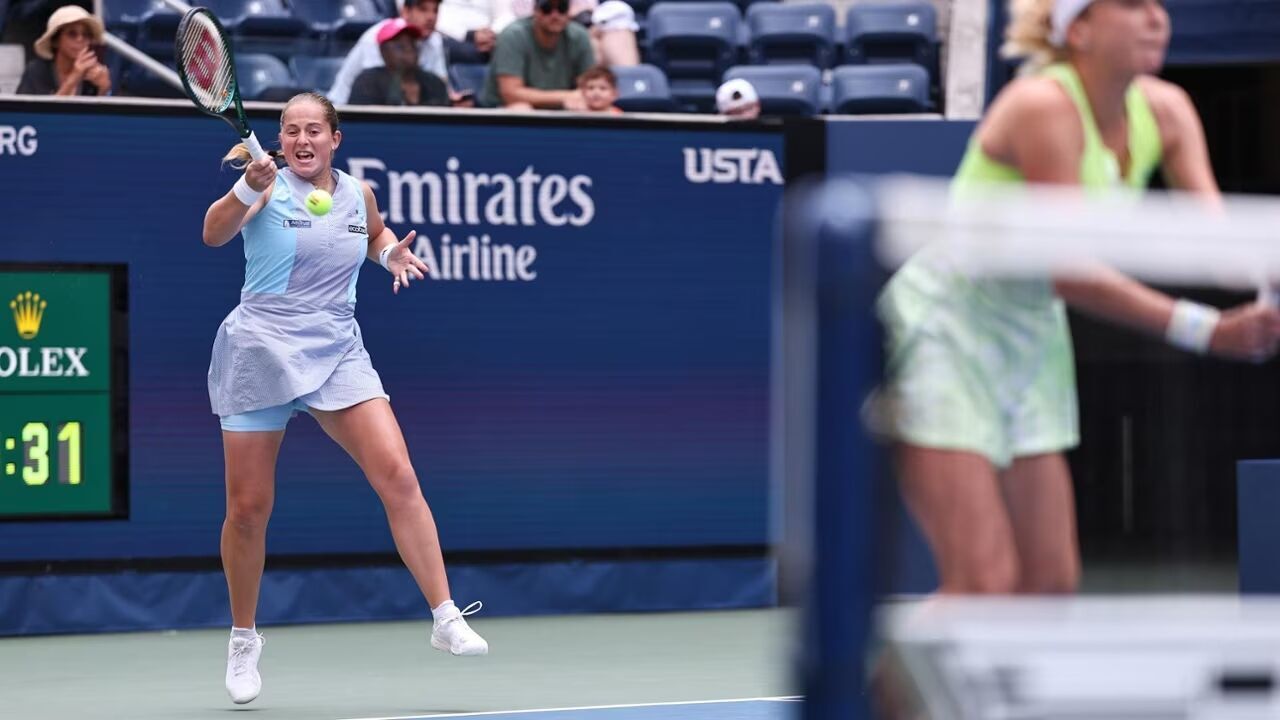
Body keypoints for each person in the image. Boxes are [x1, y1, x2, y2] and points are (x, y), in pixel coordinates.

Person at [877, 0, 1280, 596]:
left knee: (1048, 585)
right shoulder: (1043, 105)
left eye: (1158, 6)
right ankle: (862, 692)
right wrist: (1207, 331)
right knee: (982, 586)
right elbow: (1067, 268)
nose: (1156, 18)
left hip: (1032, 340)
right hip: (943, 331)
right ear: (1079, 30)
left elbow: (1218, 245)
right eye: (1131, 5)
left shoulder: (1168, 111)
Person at [202, 92, 488, 706]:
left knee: (399, 477)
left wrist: (390, 254)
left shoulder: (358, 193)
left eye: (314, 130)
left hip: (337, 349)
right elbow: (212, 234)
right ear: (279, 138)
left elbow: (374, 234)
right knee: (249, 511)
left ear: (336, 138)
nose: (303, 140)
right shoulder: (265, 184)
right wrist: (248, 190)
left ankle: (444, 616)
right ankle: (244, 637)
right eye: (291, 130)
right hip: (261, 348)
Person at [328, 0, 454, 106]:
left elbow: (439, 80)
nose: (431, 17)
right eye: (423, 9)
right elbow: (377, 87)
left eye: (435, 10)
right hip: (345, 109)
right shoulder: (378, 37)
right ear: (405, 11)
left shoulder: (434, 39)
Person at [480, 0, 595, 110]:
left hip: (561, 113)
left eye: (562, 8)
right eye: (547, 9)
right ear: (535, 11)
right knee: (521, 109)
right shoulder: (513, 35)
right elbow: (511, 94)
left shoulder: (579, 36)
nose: (555, 15)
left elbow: (590, 88)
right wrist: (567, 96)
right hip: (501, 112)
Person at [349, 18, 451, 106]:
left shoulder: (435, 83)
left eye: (412, 43)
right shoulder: (368, 82)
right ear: (383, 51)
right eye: (400, 46)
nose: (409, 49)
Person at [16, 4, 110, 96]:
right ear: (55, 41)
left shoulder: (93, 75)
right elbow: (38, 110)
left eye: (86, 34)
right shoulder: (36, 71)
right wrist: (74, 77)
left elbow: (93, 111)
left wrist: (103, 89)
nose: (80, 39)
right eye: (72, 34)